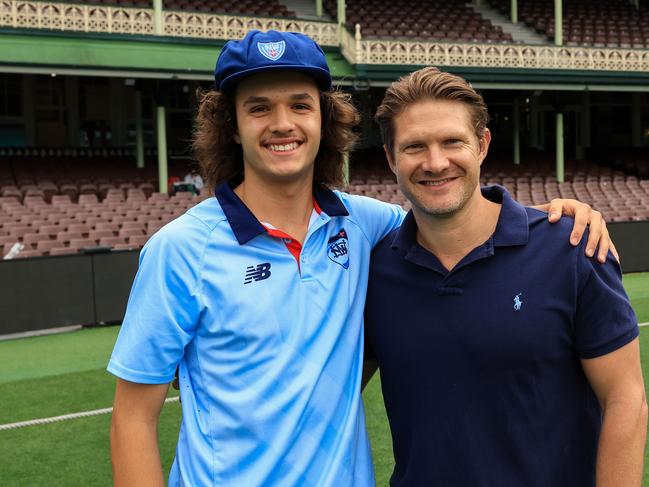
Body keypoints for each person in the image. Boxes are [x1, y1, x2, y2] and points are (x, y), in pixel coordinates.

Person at [108, 31, 613, 487]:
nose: (282, 124)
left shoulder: (365, 223)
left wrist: (550, 215)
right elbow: (133, 418)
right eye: (258, 108)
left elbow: (452, 208)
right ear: (232, 127)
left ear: (324, 121)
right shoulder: (179, 250)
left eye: (300, 106)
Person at [364, 67, 647, 487]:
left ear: (482, 144)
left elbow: (625, 399)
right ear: (391, 158)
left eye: (452, 141)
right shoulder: (374, 272)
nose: (436, 162)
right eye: (414, 146)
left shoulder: (572, 247)